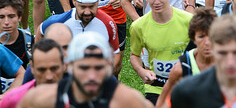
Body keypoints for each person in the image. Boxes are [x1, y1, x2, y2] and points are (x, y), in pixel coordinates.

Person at [18, 32, 149, 108]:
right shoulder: (41, 99)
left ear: (109, 66)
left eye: (98, 68)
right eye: (84, 68)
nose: (91, 76)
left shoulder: (128, 101)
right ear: (69, 66)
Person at [129, 0, 192, 105]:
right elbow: (134, 55)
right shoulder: (138, 26)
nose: (156, 1)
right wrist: (142, 71)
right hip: (156, 86)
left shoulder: (189, 20)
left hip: (185, 83)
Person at [39, 0, 121, 71]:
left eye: (91, 7)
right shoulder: (59, 21)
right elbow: (40, 32)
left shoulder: (108, 23)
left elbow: (115, 53)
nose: (87, 12)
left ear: (98, 1)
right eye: (82, 7)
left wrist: (104, 73)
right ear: (74, 1)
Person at [154, 8, 216, 108]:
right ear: (193, 39)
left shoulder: (227, 63)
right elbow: (162, 103)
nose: (207, 42)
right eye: (201, 37)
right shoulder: (182, 68)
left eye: (211, 36)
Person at [0, 38, 65, 108]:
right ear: (32, 68)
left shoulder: (76, 95)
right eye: (41, 70)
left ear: (64, 66)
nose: (49, 77)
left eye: (54, 69)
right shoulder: (12, 100)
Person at [0, 0, 31, 93]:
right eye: (1, 17)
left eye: (11, 16)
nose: (6, 22)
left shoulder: (28, 40)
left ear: (19, 17)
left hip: (20, 90)